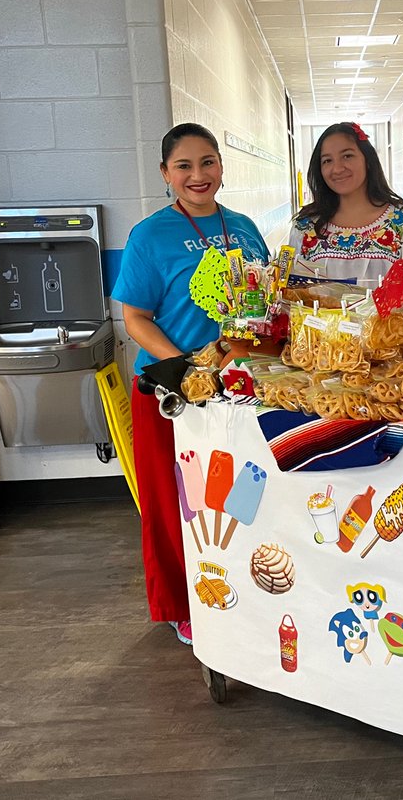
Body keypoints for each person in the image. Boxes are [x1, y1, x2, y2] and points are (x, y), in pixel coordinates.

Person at [112, 123, 269, 646]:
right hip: (172, 392)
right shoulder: (149, 235)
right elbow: (135, 318)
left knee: (235, 501)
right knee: (175, 502)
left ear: (222, 166)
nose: (198, 175)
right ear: (165, 174)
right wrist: (186, 368)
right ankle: (183, 605)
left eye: (208, 162)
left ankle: (239, 589)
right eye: (184, 166)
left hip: (236, 390)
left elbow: (262, 304)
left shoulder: (244, 227)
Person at [289, 122, 403, 285]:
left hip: (393, 312)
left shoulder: (402, 220)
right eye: (327, 160)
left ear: (368, 160)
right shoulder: (306, 226)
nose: (337, 168)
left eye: (347, 156)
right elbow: (293, 290)